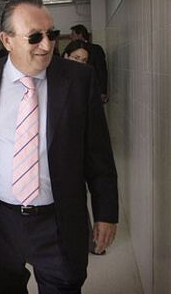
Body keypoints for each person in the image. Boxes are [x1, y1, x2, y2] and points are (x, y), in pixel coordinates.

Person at [0, 0, 118, 293]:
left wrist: (106, 213)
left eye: (52, 35)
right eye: (34, 37)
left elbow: (98, 154)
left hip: (58, 220)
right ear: (6, 40)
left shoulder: (79, 80)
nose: (46, 46)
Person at [62, 40, 107, 256]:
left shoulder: (87, 83)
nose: (80, 63)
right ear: (65, 56)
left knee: (80, 198)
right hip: (62, 154)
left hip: (79, 154)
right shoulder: (53, 83)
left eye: (84, 60)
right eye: (76, 58)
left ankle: (91, 241)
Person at [70, 24, 109, 103]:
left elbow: (101, 70)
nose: (70, 37)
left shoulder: (95, 49)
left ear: (80, 34)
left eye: (72, 34)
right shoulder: (70, 49)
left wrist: (103, 91)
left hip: (91, 89)